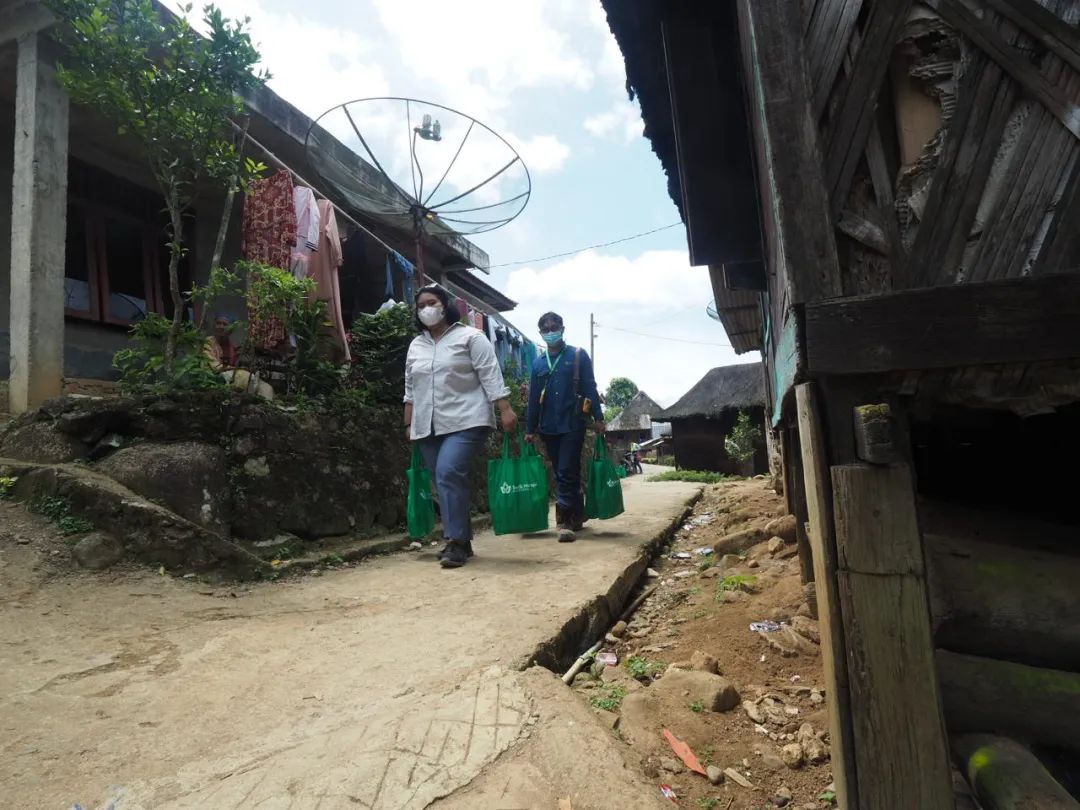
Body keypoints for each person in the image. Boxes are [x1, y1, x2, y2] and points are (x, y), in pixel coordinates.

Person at [404, 285, 518, 568]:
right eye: (421, 305)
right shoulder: (416, 345)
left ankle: (454, 541)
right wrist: (408, 423)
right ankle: (463, 541)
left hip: (467, 417)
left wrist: (505, 408)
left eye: (432, 302)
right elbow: (410, 388)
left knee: (449, 471)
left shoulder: (471, 337)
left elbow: (490, 373)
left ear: (445, 305)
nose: (426, 309)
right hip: (427, 423)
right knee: (443, 480)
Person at [525, 312, 605, 542]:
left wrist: (598, 418)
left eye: (554, 327)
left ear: (562, 328)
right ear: (540, 333)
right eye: (546, 329)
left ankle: (564, 520)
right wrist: (530, 429)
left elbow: (590, 387)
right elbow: (533, 398)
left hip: (573, 422)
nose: (550, 332)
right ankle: (577, 513)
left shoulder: (578, 355)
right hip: (548, 426)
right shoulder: (538, 363)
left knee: (565, 470)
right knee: (566, 470)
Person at [204, 315, 275, 400]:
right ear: (214, 326)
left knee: (266, 387)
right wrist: (237, 369)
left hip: (232, 374)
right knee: (248, 378)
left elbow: (235, 362)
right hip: (214, 376)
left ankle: (264, 401)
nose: (221, 327)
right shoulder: (208, 342)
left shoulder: (230, 345)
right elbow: (215, 367)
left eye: (225, 324)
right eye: (218, 323)